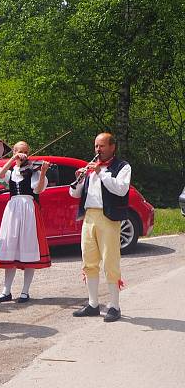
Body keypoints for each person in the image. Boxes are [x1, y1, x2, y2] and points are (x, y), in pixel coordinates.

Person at [69, 132, 131, 323]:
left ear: (113, 147)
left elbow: (121, 189)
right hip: (89, 216)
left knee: (110, 261)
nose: (98, 150)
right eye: (96, 146)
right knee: (89, 261)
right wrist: (78, 179)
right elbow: (73, 194)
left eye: (102, 146)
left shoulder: (122, 166)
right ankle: (93, 304)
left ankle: (114, 306)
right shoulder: (91, 168)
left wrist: (100, 172)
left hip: (108, 217)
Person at [0, 142, 51, 304]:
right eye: (19, 151)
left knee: (28, 246)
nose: (23, 154)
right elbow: (0, 175)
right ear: (14, 152)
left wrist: (43, 172)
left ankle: (25, 291)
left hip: (29, 208)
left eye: (25, 152)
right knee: (11, 247)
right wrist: (13, 160)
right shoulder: (11, 170)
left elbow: (38, 190)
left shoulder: (33, 171)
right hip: (13, 209)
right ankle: (6, 291)